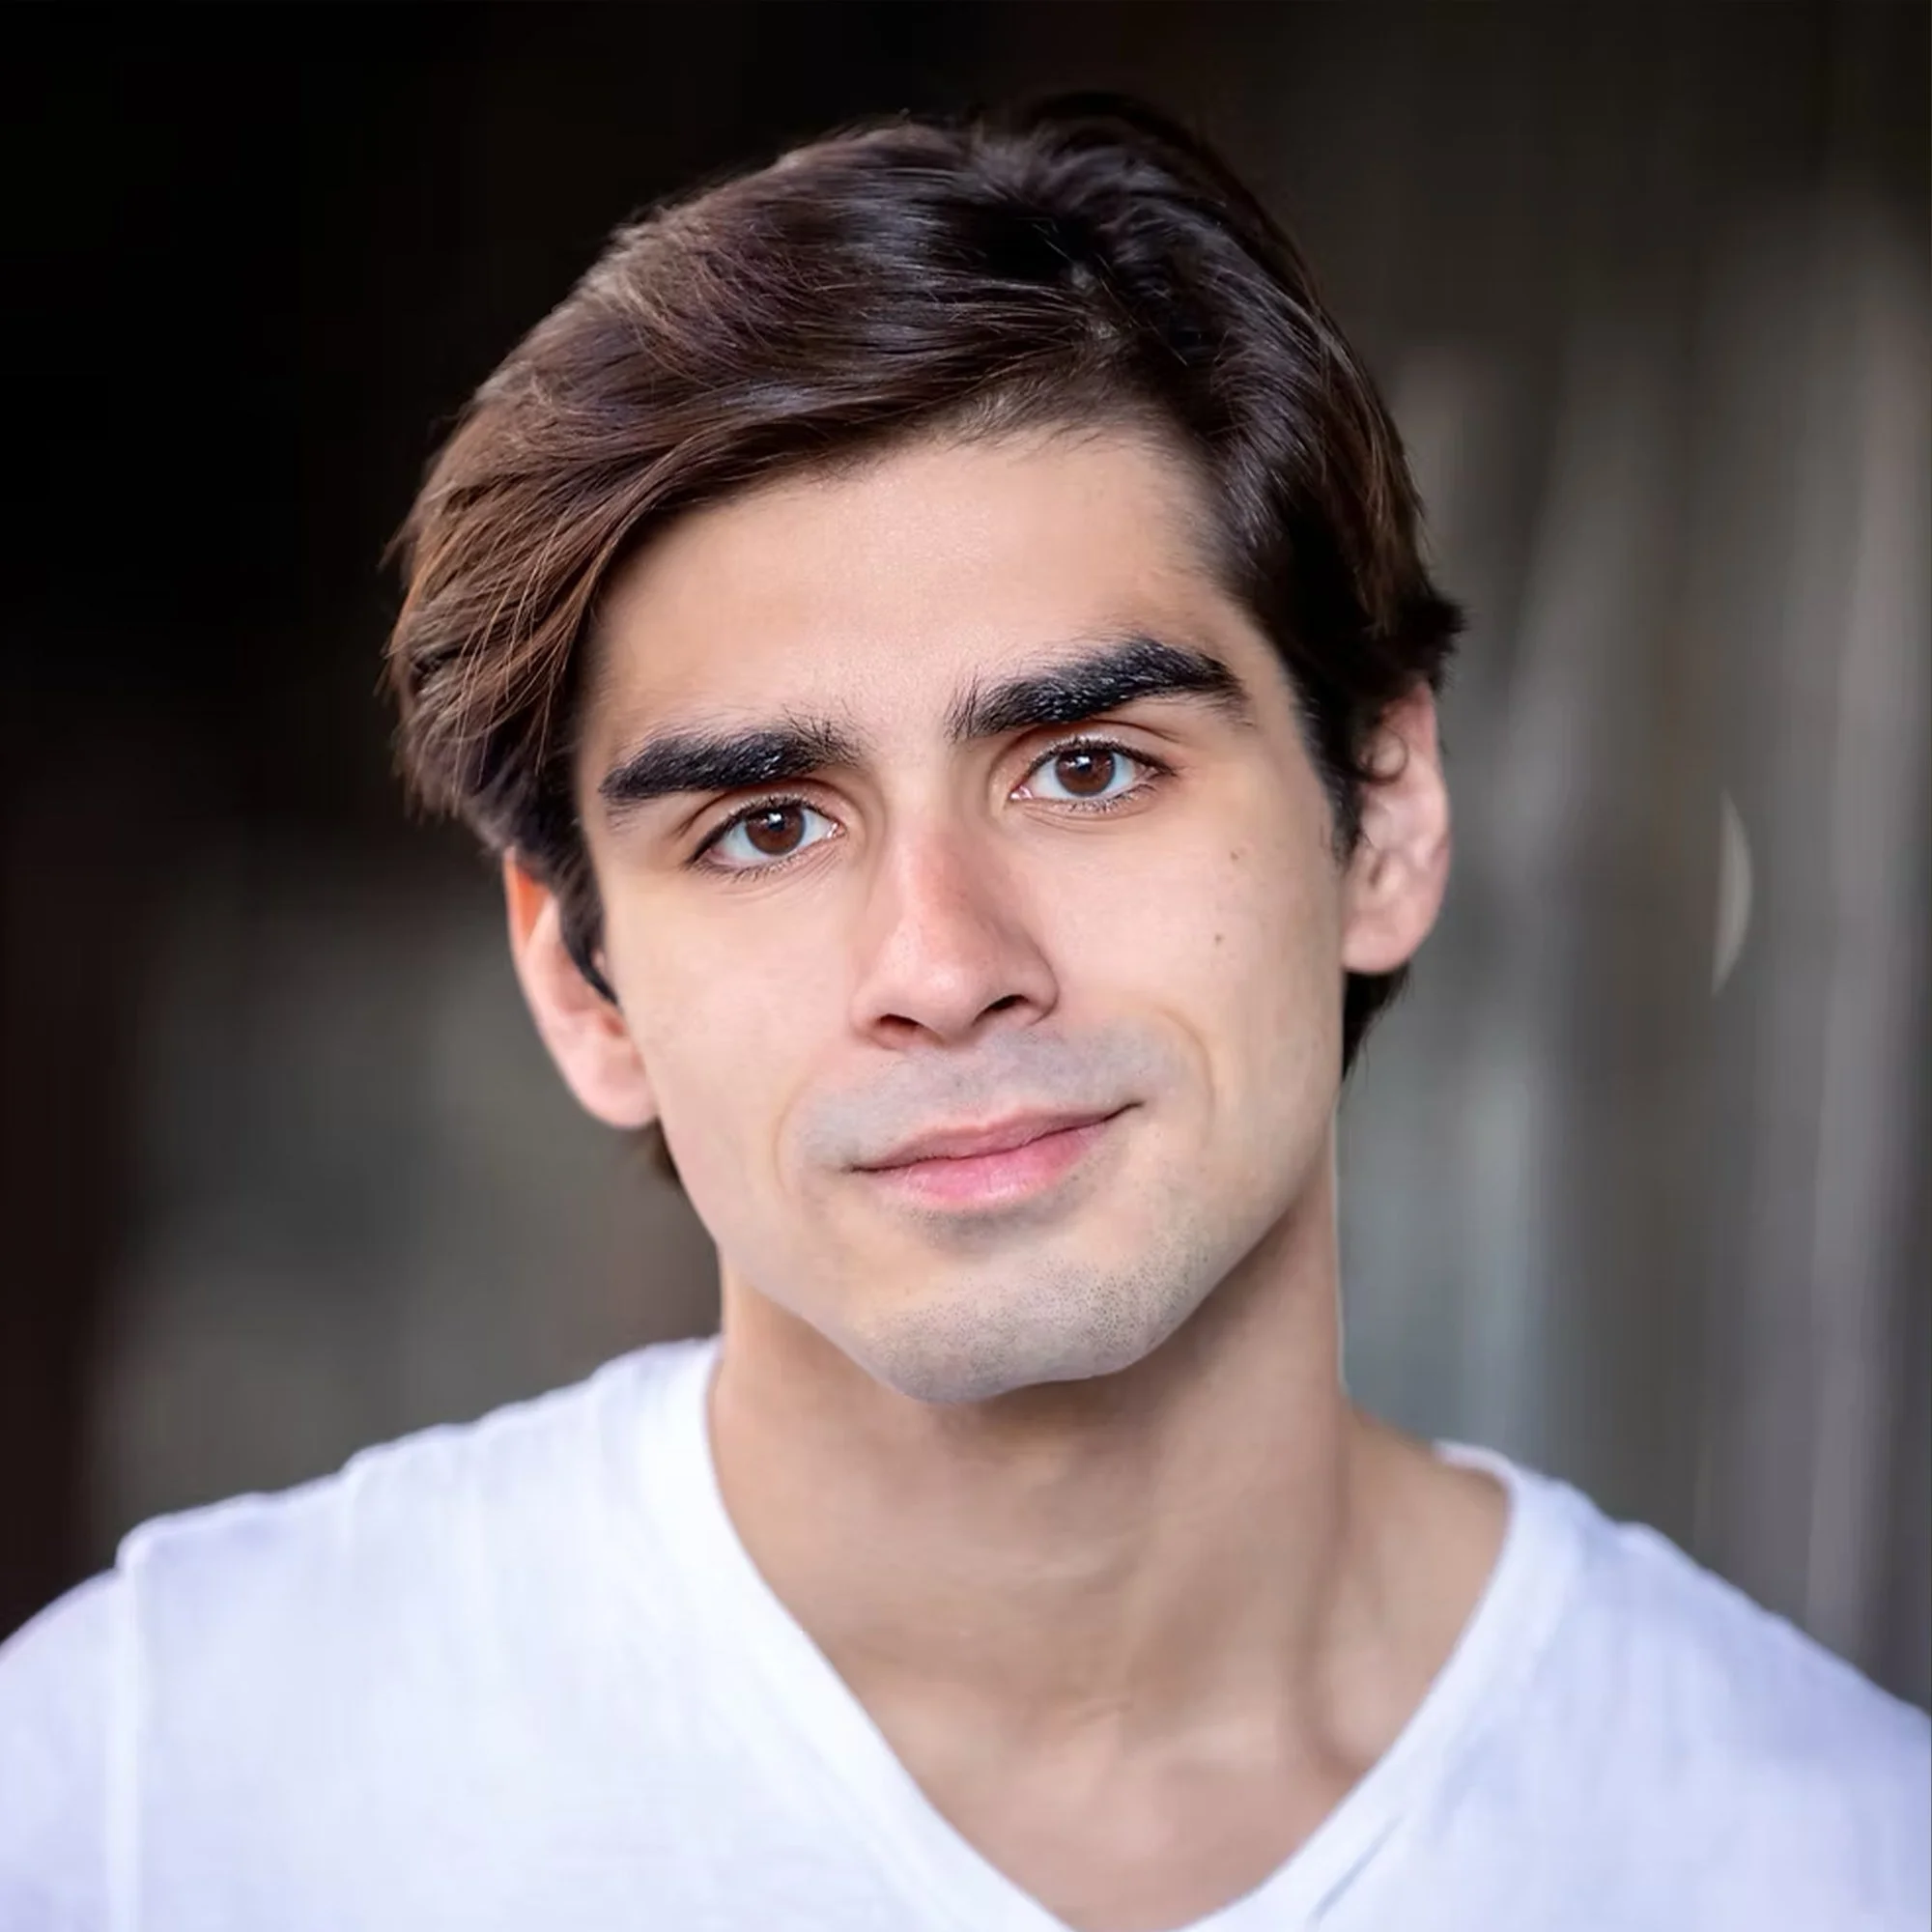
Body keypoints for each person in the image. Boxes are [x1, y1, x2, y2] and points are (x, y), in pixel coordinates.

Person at [1, 95, 1925, 1932]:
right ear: (580, 979)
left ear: (1386, 819)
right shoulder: (157, 1790)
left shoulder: (1825, 1860)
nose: (943, 961)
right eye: (764, 824)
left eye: (1085, 767)